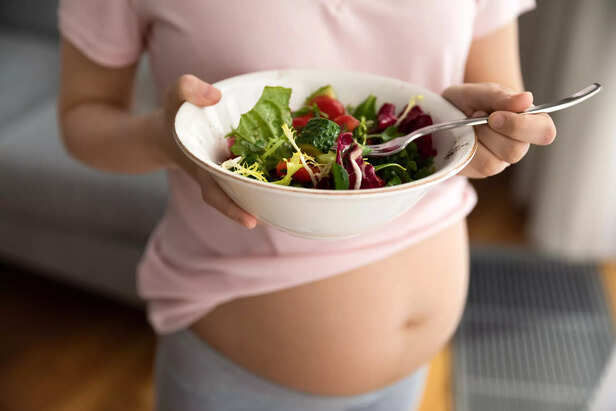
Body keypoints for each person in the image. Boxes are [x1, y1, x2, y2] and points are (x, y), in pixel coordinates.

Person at [57, 1, 555, 410]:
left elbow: (496, 101)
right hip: (238, 379)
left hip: (412, 373)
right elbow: (83, 121)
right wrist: (165, 140)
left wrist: (495, 133)